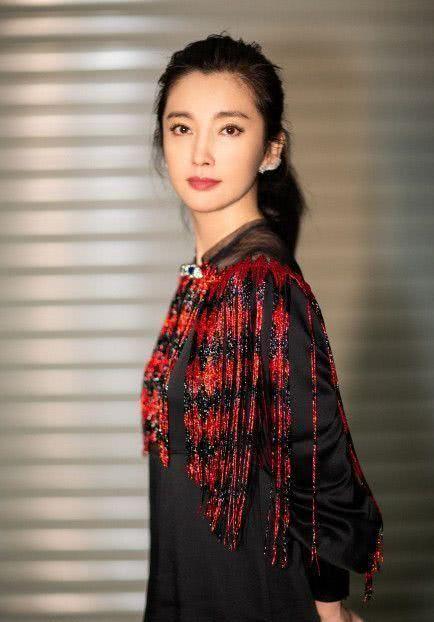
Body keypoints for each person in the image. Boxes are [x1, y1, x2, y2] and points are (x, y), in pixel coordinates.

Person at [140, 33, 383, 622]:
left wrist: (329, 608)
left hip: (253, 595)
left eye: (229, 129)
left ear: (271, 149)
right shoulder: (210, 275)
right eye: (181, 128)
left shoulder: (259, 284)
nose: (200, 153)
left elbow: (315, 457)